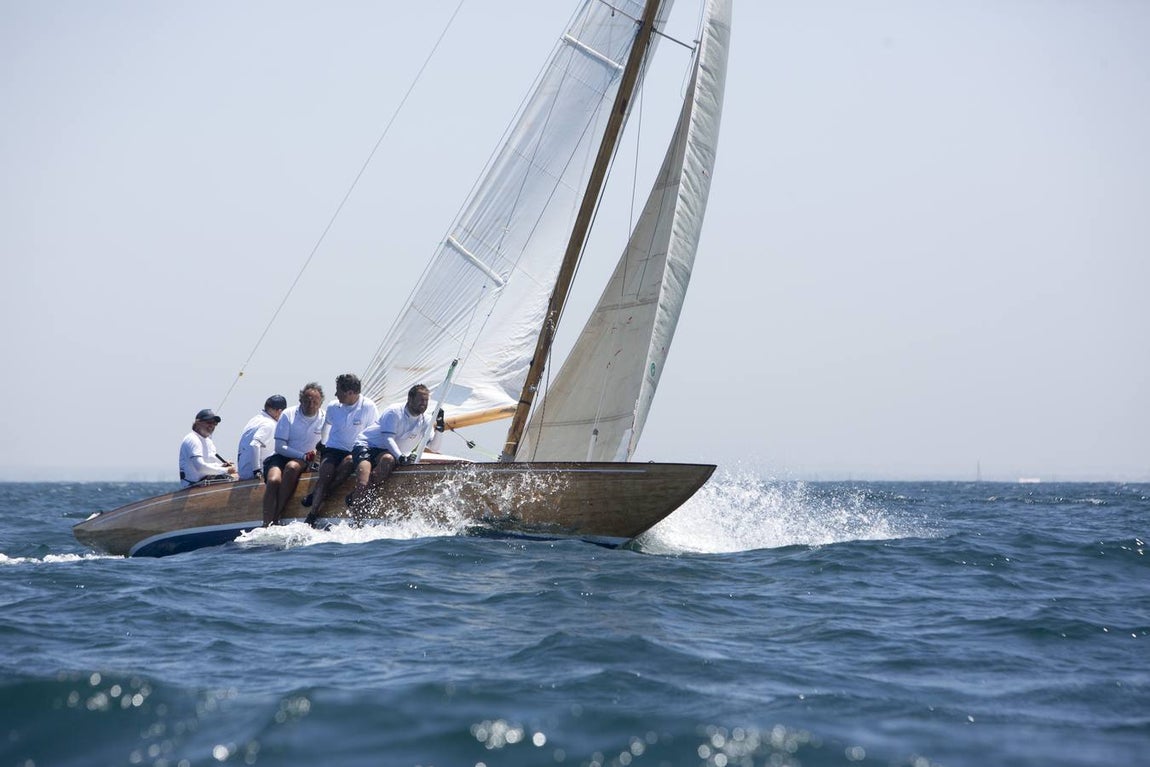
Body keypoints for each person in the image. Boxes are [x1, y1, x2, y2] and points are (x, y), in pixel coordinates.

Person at [345, 384, 443, 513]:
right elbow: (388, 439)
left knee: (388, 460)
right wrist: (401, 457)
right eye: (420, 400)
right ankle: (356, 518)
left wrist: (440, 429)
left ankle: (358, 496)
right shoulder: (394, 411)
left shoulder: (426, 420)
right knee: (364, 482)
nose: (423, 404)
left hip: (387, 453)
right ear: (410, 399)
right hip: (367, 446)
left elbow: (433, 447)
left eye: (426, 401)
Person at [302, 373, 379, 526]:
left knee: (349, 462)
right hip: (334, 449)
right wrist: (321, 447)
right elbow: (326, 427)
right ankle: (312, 514)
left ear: (350, 393)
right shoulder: (333, 406)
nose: (335, 394)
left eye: (338, 390)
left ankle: (319, 494)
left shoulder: (368, 406)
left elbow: (374, 430)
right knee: (326, 473)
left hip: (355, 450)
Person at [262, 383, 325, 525]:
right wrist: (302, 455)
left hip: (305, 460)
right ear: (300, 400)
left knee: (291, 467)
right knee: (273, 481)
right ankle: (266, 524)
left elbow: (326, 443)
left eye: (315, 402)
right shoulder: (288, 414)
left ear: (320, 402)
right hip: (282, 456)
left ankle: (276, 516)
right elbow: (279, 447)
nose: (311, 404)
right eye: (307, 401)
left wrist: (315, 453)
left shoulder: (325, 418)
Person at [178, 409, 238, 488]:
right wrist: (227, 470)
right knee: (235, 478)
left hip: (206, 481)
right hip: (193, 485)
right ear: (198, 423)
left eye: (214, 423)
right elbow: (201, 468)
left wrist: (222, 466)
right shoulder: (192, 439)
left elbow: (210, 465)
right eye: (209, 422)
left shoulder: (208, 441)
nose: (212, 426)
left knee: (237, 476)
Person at [236, 395, 288, 480]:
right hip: (257, 474)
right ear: (279, 411)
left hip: (243, 473)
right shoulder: (269, 424)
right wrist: (257, 470)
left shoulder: (254, 420)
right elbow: (254, 444)